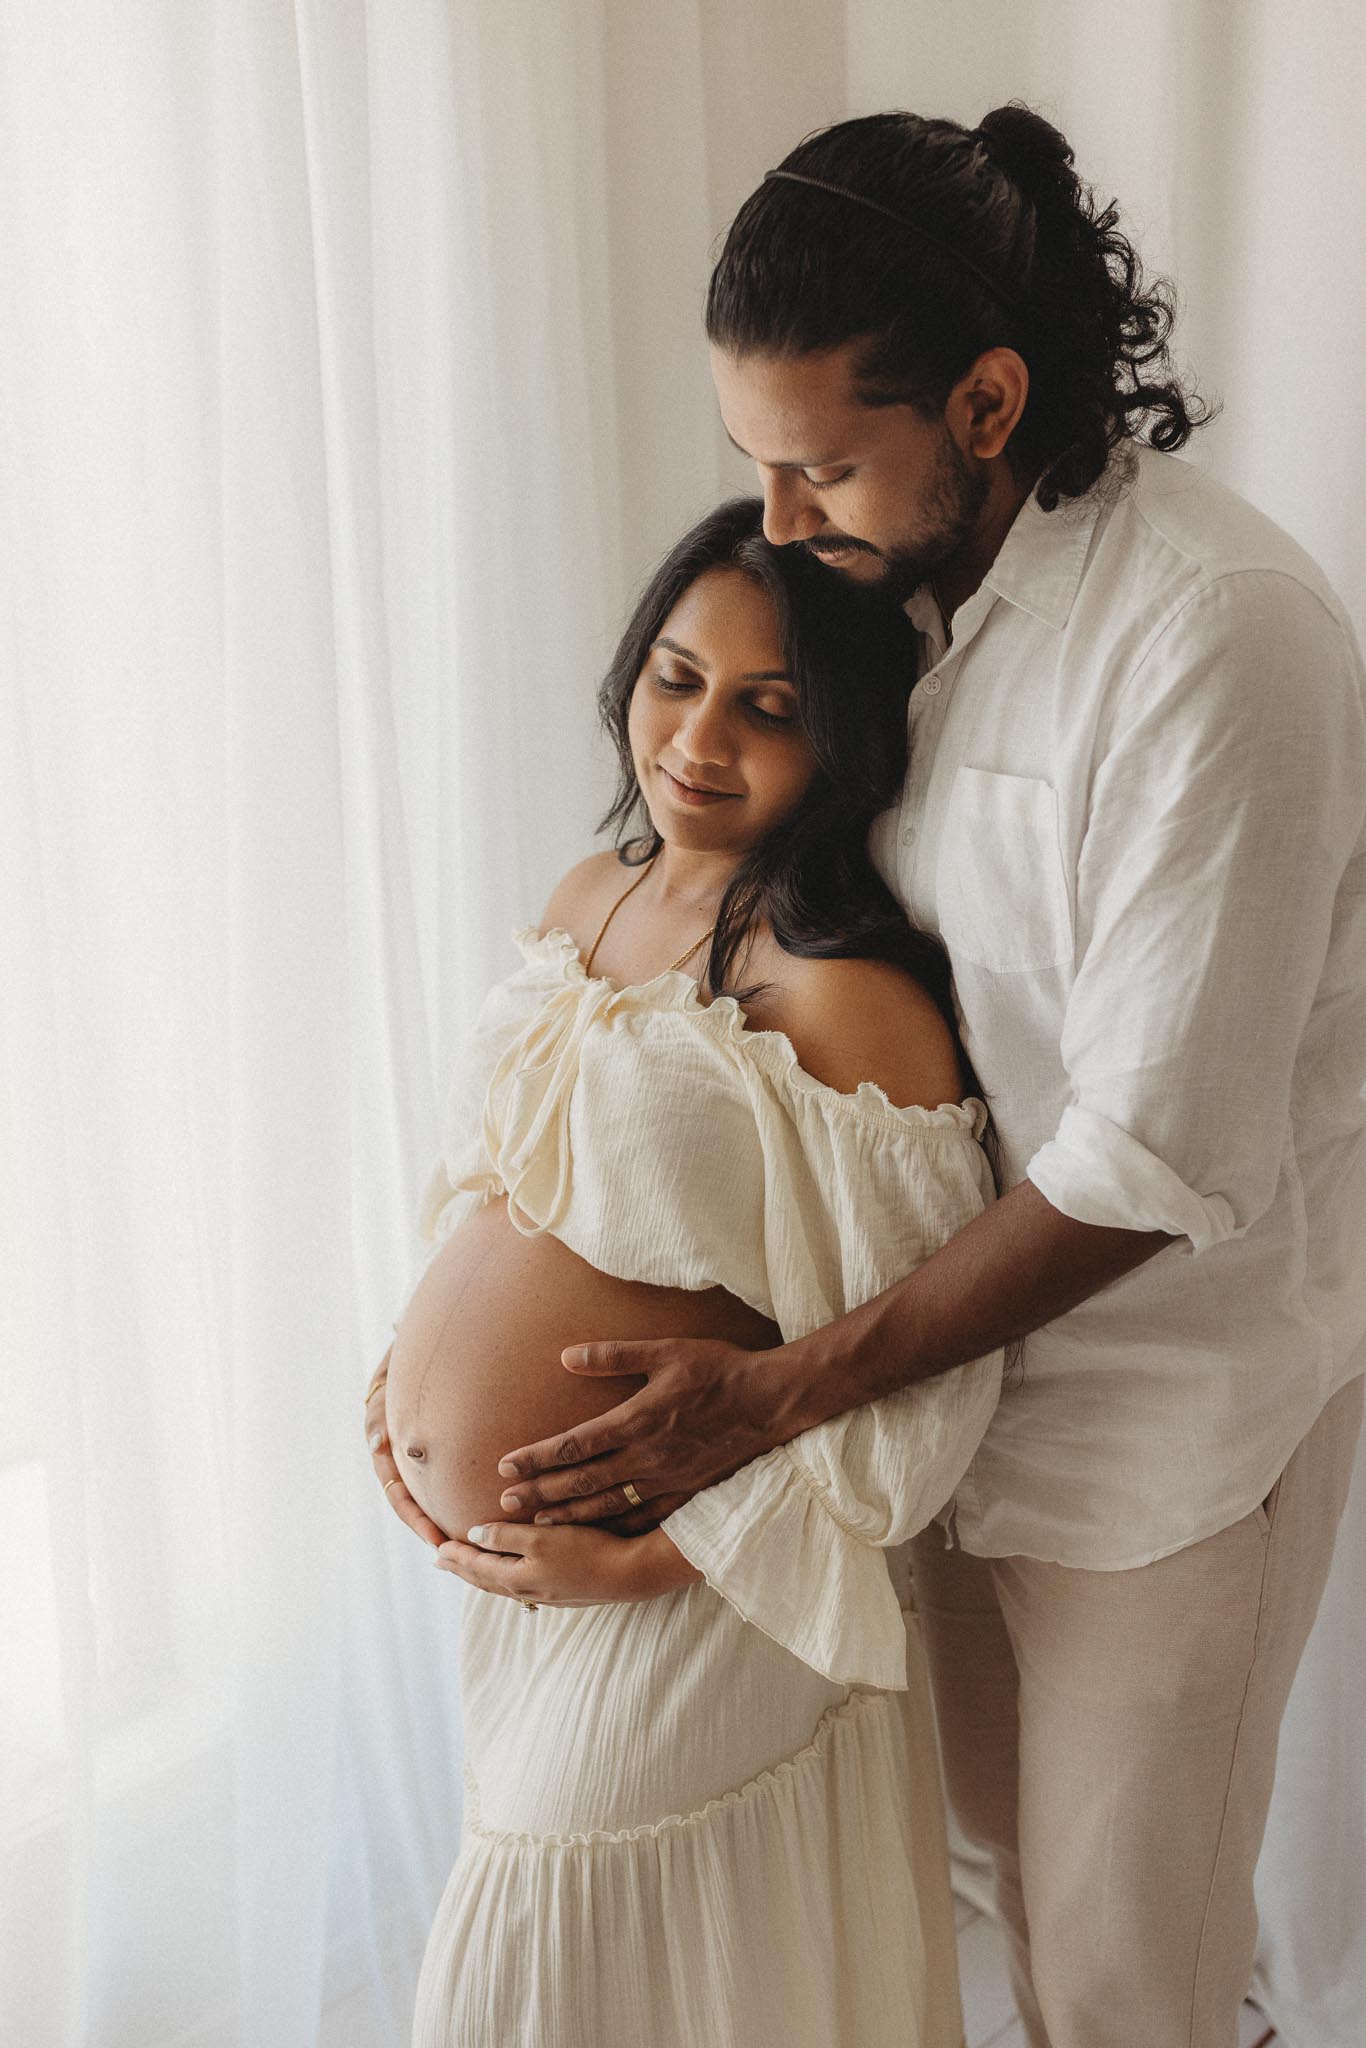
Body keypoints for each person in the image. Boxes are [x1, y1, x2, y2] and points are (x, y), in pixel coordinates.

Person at [490, 106, 1366, 2048]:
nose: (776, 515)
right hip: (922, 1413)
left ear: (985, 400)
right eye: (756, 461)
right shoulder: (874, 604)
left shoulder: (1213, 637)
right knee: (999, 1905)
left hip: (1158, 1435)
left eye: (818, 465)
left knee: (1125, 1975)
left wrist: (776, 1392)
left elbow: (1152, 1156)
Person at [367, 497, 1006, 2047]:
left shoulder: (843, 994)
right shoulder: (590, 896)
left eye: (767, 708)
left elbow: (924, 1377)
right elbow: (499, 1180)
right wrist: (407, 1382)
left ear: (840, 740)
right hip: (527, 1581)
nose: (699, 740)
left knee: (522, 1981)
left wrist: (656, 1562)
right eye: (675, 677)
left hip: (702, 1583)